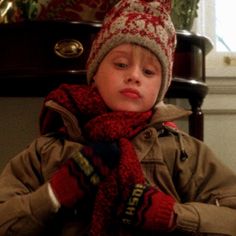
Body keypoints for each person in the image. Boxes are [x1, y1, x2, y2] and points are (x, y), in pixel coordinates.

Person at [0, 0, 236, 235]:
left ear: (161, 87)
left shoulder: (184, 152)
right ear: (95, 72)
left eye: (149, 71)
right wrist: (53, 194)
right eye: (121, 64)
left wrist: (173, 216)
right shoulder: (48, 149)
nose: (134, 76)